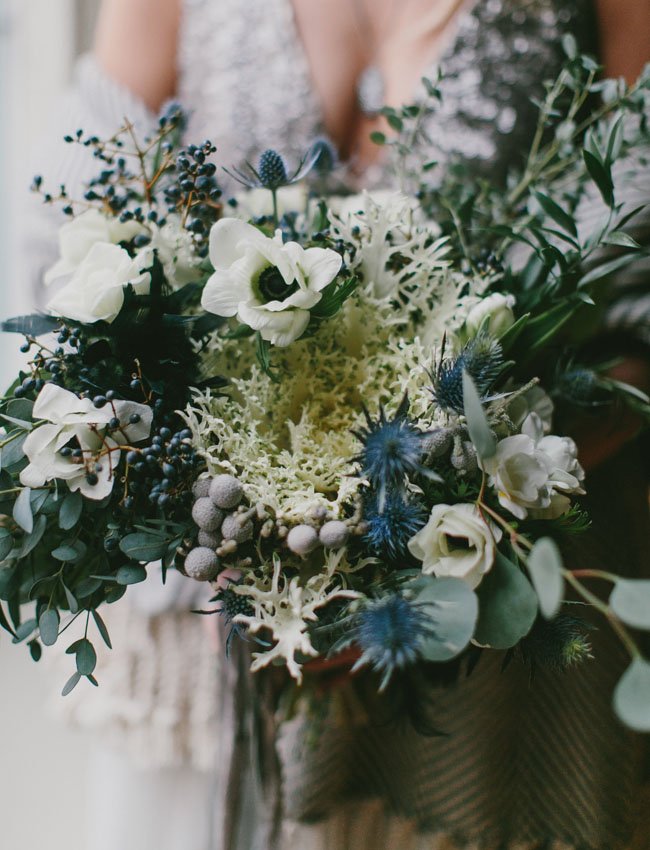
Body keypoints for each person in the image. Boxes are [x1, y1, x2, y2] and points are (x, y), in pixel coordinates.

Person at [27, 0, 650, 848]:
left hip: (487, 645)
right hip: (206, 614)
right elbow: (62, 237)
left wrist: (438, 513)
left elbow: (631, 298)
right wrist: (205, 506)